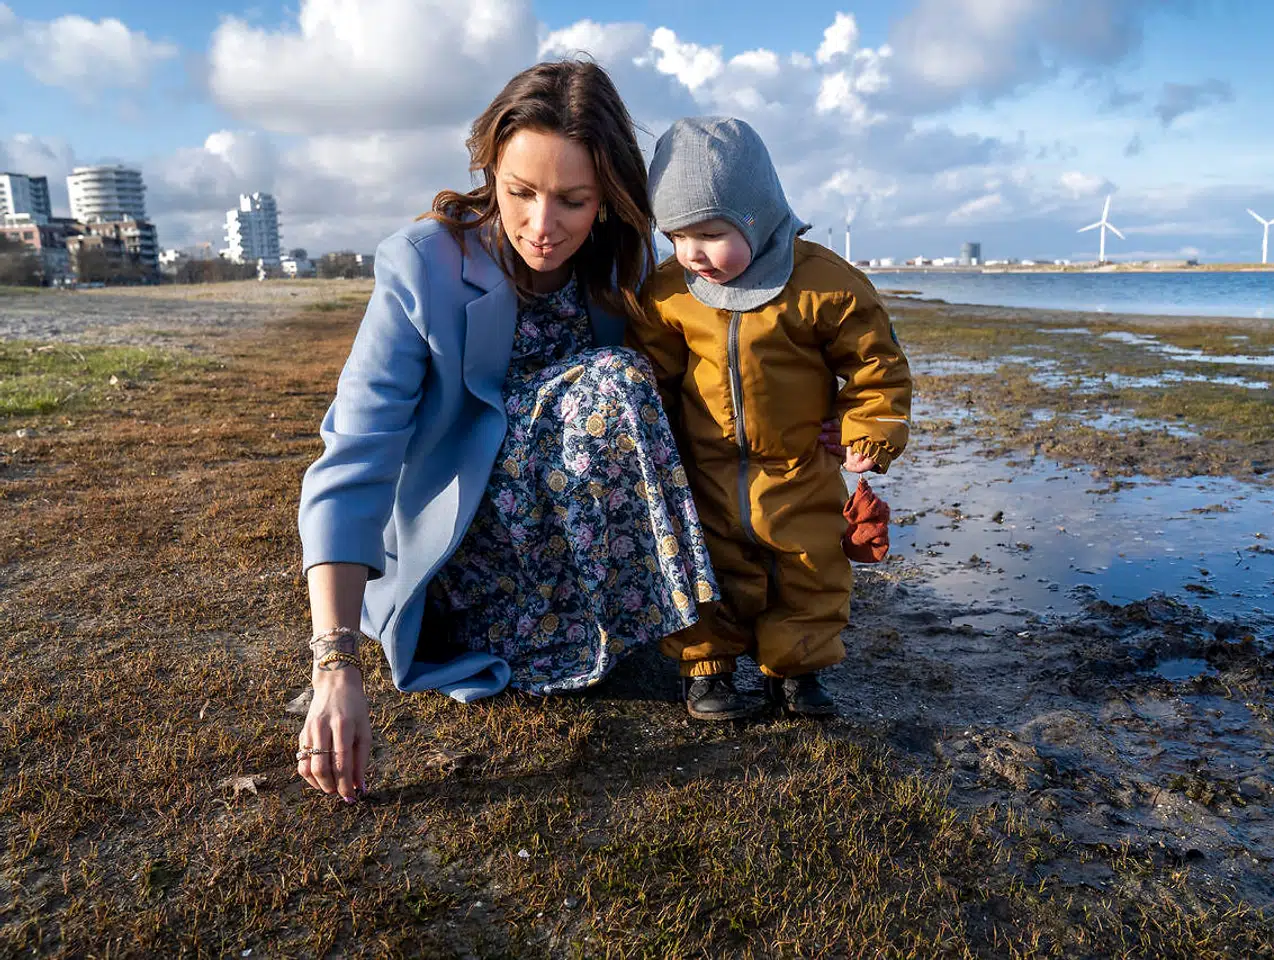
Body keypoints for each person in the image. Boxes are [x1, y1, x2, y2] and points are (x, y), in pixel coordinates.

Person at [295, 62, 717, 802]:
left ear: (610, 200)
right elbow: (356, 453)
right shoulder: (422, 264)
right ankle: (524, 628)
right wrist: (335, 662)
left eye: (573, 201)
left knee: (625, 377)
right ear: (490, 169)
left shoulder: (629, 269)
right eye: (520, 192)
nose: (543, 227)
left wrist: (813, 429)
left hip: (576, 540)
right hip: (463, 549)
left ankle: (620, 619)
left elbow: (711, 379)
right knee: (611, 382)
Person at [630, 117, 913, 721]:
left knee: (812, 568)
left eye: (709, 233)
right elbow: (653, 371)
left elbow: (875, 368)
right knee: (708, 567)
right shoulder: (671, 292)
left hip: (798, 469)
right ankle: (707, 667)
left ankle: (798, 670)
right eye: (676, 236)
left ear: (755, 215)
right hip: (703, 471)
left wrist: (869, 431)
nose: (692, 254)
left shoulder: (823, 285)